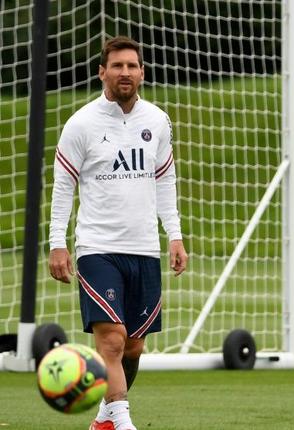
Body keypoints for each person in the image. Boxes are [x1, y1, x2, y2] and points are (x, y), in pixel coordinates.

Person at [48, 36, 187, 430]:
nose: (124, 72)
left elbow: (165, 180)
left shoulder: (157, 121)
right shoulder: (81, 123)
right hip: (98, 247)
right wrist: (57, 242)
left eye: (131, 65)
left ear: (141, 72)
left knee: (133, 345)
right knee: (111, 340)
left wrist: (174, 235)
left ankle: (105, 417)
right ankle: (124, 421)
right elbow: (63, 186)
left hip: (145, 248)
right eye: (117, 66)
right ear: (102, 72)